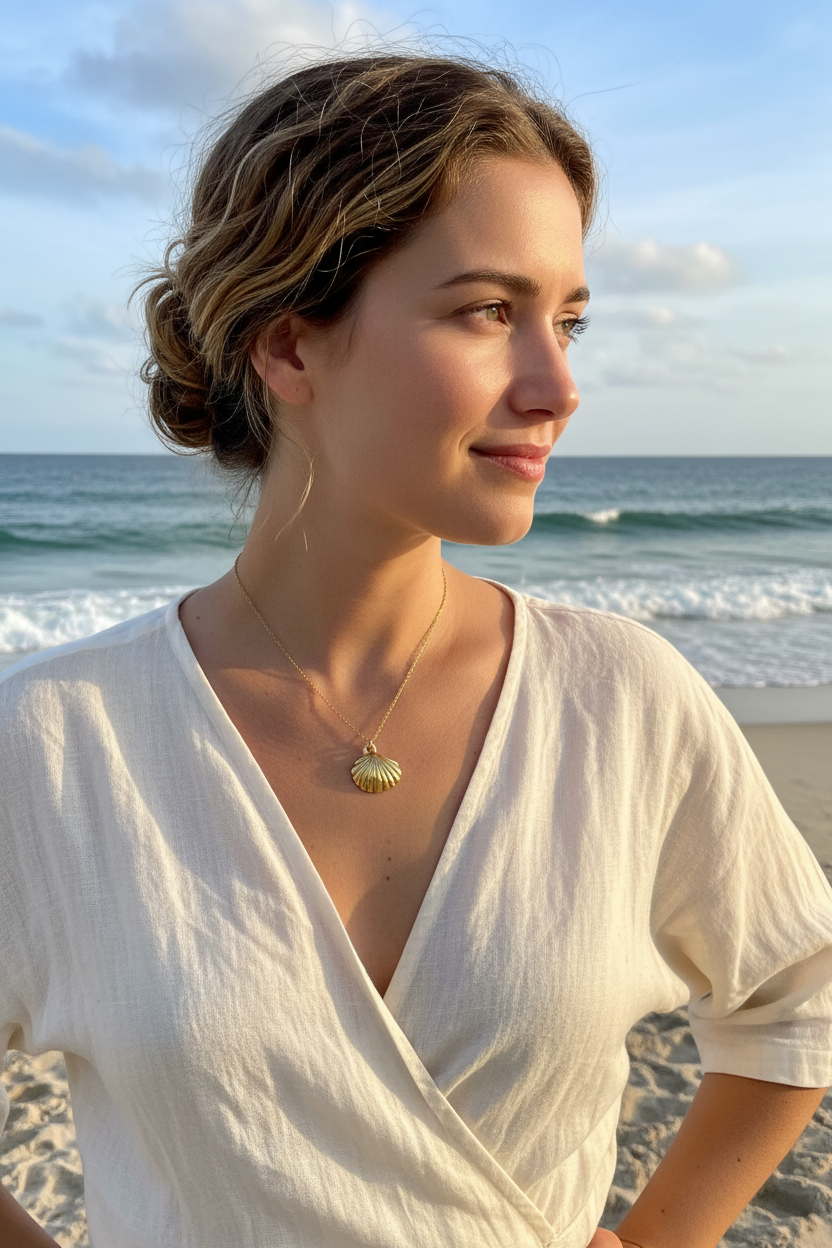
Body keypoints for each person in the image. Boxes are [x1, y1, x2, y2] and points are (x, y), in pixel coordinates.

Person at [1, 52, 831, 1248]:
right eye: (489, 312)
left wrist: (662, 1240)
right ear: (290, 348)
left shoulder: (619, 700)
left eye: (569, 322)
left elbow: (792, 996)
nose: (558, 386)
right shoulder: (62, 741)